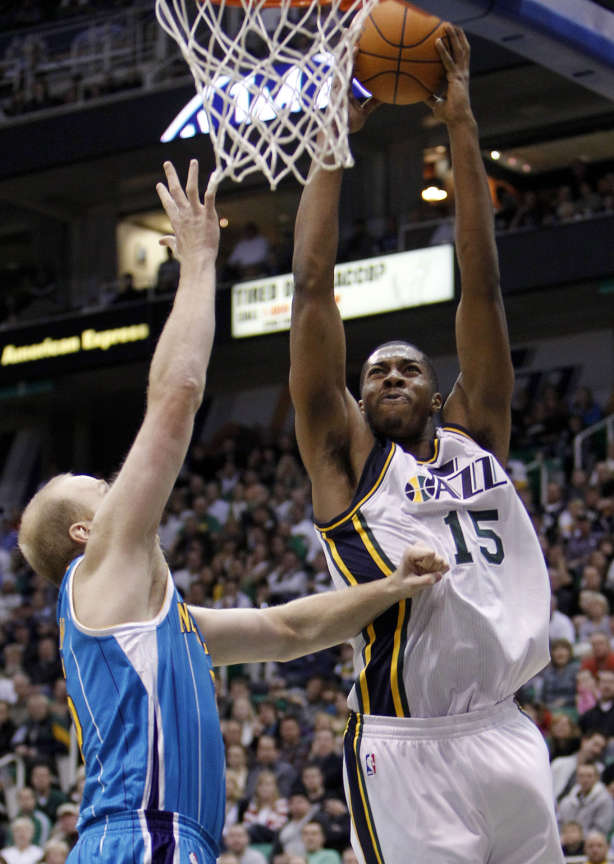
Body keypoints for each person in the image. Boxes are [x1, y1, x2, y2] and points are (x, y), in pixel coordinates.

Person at [17, 160, 448, 863]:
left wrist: (391, 588)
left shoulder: (156, 627)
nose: (118, 486)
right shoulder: (101, 571)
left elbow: (285, 629)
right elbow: (178, 395)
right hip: (144, 837)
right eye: (100, 485)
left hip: (155, 840)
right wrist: (198, 261)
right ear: (85, 533)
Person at [289, 25, 561, 864]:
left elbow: (481, 283)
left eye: (409, 369)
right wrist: (331, 144)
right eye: (376, 375)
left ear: (437, 392)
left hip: (506, 732)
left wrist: (464, 128)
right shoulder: (345, 461)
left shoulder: (478, 432)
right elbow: (310, 291)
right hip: (404, 747)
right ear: (358, 402)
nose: (393, 379)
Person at [557, 762, 614, 837]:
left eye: (589, 776)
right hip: (565, 842)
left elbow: (601, 829)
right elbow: (559, 824)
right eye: (581, 776)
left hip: (590, 844)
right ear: (577, 778)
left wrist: (578, 837)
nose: (585, 780)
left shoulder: (606, 801)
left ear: (597, 778)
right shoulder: (566, 802)